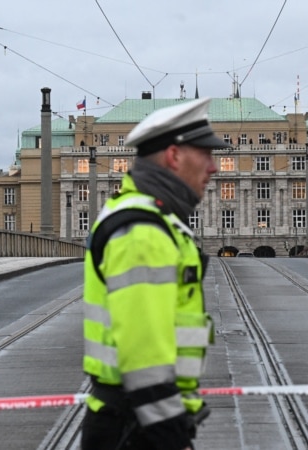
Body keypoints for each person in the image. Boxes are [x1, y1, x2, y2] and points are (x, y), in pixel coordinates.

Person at [81, 97, 229, 450]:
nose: (215, 167)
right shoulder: (143, 232)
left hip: (138, 421)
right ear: (174, 156)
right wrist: (171, 437)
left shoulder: (155, 219)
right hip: (137, 427)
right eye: (205, 154)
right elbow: (144, 355)